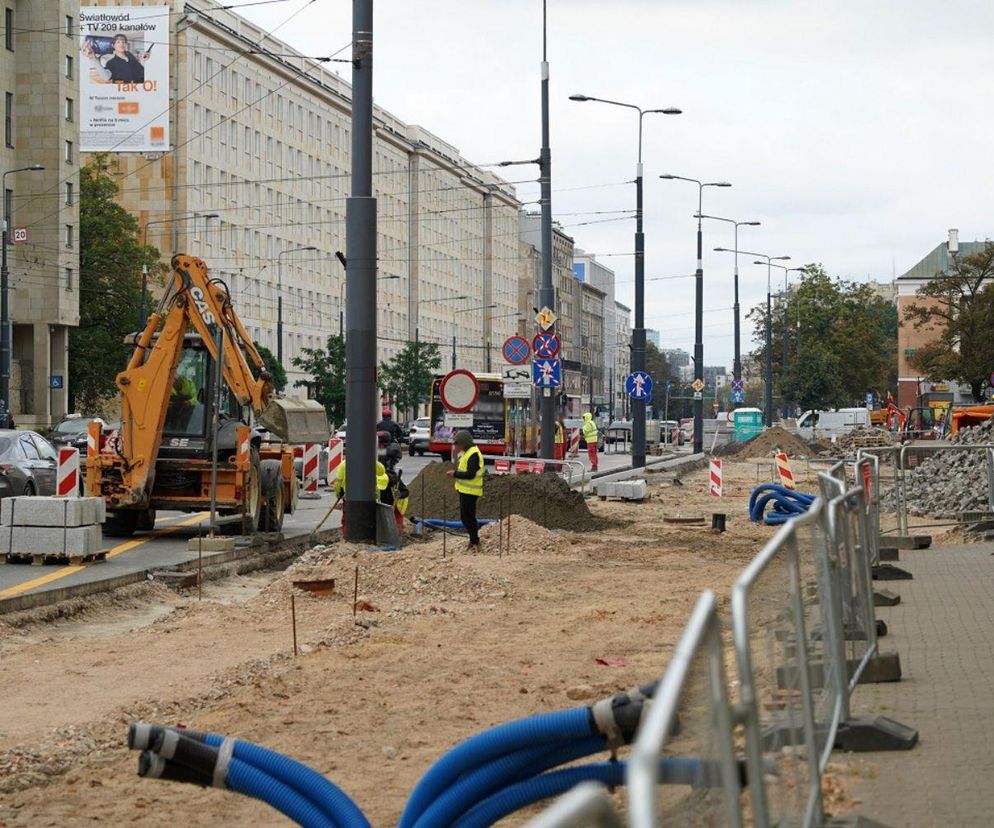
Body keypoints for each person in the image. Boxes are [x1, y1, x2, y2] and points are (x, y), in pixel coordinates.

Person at [333, 454, 390, 537]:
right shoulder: (371, 462)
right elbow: (381, 471)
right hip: (371, 497)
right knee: (370, 519)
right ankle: (370, 536)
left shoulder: (344, 464)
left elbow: (338, 482)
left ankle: (348, 537)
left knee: (348, 519)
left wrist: (338, 493)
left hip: (350, 497)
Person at [445, 430, 483, 549]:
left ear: (464, 442)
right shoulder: (468, 452)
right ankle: (473, 540)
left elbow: (470, 474)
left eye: (458, 443)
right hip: (465, 490)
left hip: (471, 491)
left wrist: (455, 474)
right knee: (465, 517)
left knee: (468, 517)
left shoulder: (473, 454)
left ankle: (475, 541)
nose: (457, 446)